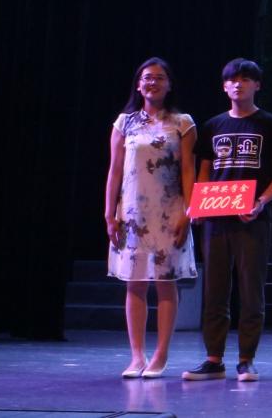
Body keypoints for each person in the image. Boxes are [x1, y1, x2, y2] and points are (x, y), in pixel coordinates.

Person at [183, 58, 272, 383]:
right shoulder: (213, 126)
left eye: (245, 79)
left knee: (250, 290)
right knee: (214, 290)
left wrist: (261, 202)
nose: (238, 84)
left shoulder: (270, 124)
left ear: (257, 85)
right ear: (224, 86)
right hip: (216, 219)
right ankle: (213, 359)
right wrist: (199, 204)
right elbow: (204, 170)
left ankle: (246, 359)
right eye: (232, 80)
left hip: (252, 220)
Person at [104, 57, 198, 379]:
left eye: (159, 77)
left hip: (170, 212)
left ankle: (161, 355)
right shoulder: (124, 123)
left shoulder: (182, 123)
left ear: (169, 84)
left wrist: (189, 212)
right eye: (147, 77)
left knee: (165, 283)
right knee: (135, 283)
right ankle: (136, 356)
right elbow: (114, 171)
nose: (152, 82)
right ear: (138, 84)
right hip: (132, 213)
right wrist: (109, 213)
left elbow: (188, 171)